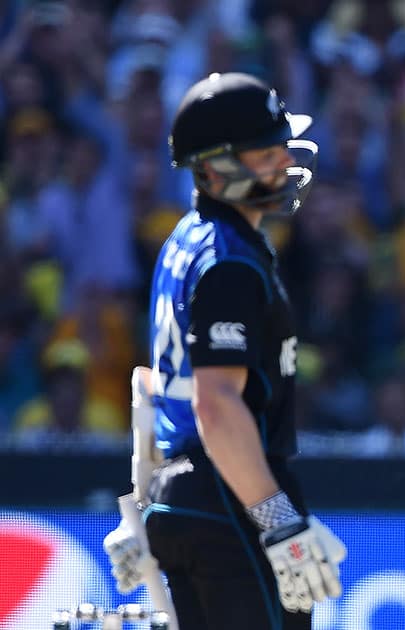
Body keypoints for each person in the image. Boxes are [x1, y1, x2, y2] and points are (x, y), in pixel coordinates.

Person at [105, 72, 345, 629]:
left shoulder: (185, 239)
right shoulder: (229, 259)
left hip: (187, 492)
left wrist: (142, 500)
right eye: (265, 151)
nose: (283, 160)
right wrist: (278, 518)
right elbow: (214, 402)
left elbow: (154, 386)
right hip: (230, 498)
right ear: (213, 168)